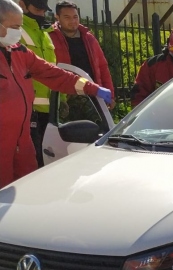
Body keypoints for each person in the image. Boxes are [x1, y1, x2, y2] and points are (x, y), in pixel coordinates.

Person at [0, 0, 112, 188]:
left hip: (22, 143)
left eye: (19, 27)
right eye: (14, 27)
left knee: (26, 192)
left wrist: (91, 88)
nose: (17, 33)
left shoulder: (19, 52)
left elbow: (53, 74)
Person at [48, 1, 115, 108]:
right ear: (57, 17)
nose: (73, 21)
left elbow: (102, 67)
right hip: (66, 100)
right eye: (67, 17)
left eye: (75, 17)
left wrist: (110, 94)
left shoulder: (89, 38)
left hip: (93, 95)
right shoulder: (50, 38)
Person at [18, 0, 55, 167]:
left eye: (43, 9)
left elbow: (53, 70)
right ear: (22, 4)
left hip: (49, 110)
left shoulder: (45, 33)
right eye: (37, 8)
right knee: (34, 162)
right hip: (28, 109)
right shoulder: (15, 30)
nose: (40, 13)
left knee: (48, 159)